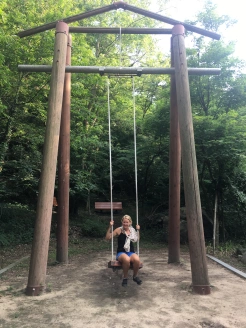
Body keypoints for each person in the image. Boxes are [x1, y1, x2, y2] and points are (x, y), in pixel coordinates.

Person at [105, 214, 142, 287]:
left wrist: (138, 231)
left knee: (137, 259)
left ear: (130, 223)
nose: (125, 224)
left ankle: (135, 277)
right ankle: (125, 278)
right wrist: (110, 226)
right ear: (122, 222)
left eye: (127, 222)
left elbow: (137, 239)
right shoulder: (119, 230)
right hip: (121, 253)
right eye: (124, 222)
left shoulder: (132, 231)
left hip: (130, 252)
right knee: (126, 259)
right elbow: (108, 237)